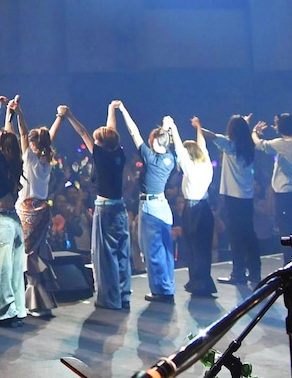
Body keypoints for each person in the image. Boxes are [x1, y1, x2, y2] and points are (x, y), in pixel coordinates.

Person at [65, 102, 130, 310]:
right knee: (121, 253)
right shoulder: (118, 154)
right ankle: (124, 295)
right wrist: (111, 109)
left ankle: (110, 299)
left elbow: (82, 132)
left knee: (105, 255)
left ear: (100, 143)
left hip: (105, 209)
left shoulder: (101, 157)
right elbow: (112, 131)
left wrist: (69, 115)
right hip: (120, 208)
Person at [116, 102, 178, 304]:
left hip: (150, 208)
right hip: (164, 207)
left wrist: (124, 110)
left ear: (153, 142)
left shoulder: (150, 158)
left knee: (152, 250)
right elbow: (165, 139)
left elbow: (134, 133)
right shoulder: (170, 158)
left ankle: (161, 290)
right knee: (166, 250)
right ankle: (167, 286)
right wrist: (168, 127)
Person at [198, 114, 260, 287]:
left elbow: (211, 135)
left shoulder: (230, 145)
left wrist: (198, 126)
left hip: (234, 197)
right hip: (247, 197)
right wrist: (246, 125)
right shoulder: (248, 146)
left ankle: (238, 272)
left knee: (235, 236)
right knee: (249, 234)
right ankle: (255, 271)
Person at [19, 105, 65, 318]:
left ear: (33, 144)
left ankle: (35, 302)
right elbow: (50, 137)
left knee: (29, 256)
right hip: (43, 209)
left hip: (29, 210)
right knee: (36, 253)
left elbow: (22, 131)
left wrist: (20, 113)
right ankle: (40, 299)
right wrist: (59, 118)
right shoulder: (46, 160)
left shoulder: (30, 158)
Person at [0, 98, 25, 327]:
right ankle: (17, 309)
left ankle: (3, 313)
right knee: (15, 270)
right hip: (14, 221)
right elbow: (7, 137)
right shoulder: (15, 160)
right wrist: (10, 116)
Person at [253, 113, 292, 252]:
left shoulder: (282, 144)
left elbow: (260, 144)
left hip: (284, 193)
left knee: (285, 230)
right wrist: (280, 129)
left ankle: (290, 262)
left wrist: (254, 132)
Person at [179, 119, 216, 296]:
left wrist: (172, 128)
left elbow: (180, 151)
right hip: (201, 208)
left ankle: (200, 282)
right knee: (199, 247)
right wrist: (199, 127)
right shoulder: (206, 163)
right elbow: (202, 145)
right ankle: (198, 280)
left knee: (194, 247)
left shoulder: (192, 168)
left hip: (195, 209)